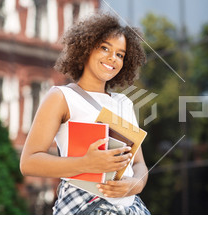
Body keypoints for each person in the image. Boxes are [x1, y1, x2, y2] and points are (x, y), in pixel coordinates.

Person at [20, 13, 150, 215]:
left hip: (130, 209)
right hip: (85, 207)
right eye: (105, 48)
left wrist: (136, 184)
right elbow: (29, 162)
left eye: (120, 54)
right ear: (86, 49)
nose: (112, 58)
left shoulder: (124, 103)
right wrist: (86, 164)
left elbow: (139, 163)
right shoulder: (61, 97)